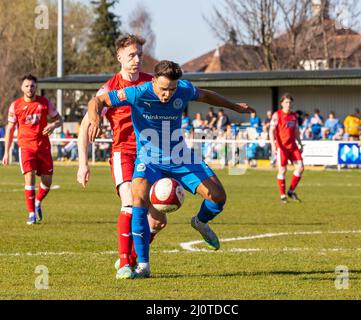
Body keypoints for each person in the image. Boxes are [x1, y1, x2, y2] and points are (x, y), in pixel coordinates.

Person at [88, 60, 255, 279]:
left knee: (218, 197)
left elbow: (205, 95)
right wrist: (94, 118)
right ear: (154, 80)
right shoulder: (137, 92)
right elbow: (98, 100)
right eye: (164, 89)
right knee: (137, 200)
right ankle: (143, 266)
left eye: (172, 90)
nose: (168, 94)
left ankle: (200, 222)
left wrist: (234, 106)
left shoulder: (183, 89)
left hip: (180, 157)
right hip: (149, 161)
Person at [77, 34, 167, 280]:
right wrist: (83, 164)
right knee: (129, 203)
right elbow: (85, 125)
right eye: (131, 55)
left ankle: (132, 256)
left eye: (139, 54)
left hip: (152, 157)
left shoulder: (153, 83)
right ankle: (126, 264)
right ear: (119, 57)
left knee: (158, 220)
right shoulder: (110, 88)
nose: (137, 59)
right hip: (124, 154)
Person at [2, 74, 63, 224]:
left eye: (32, 86)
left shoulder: (44, 103)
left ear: (36, 87)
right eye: (27, 86)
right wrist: (6, 152)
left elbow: (59, 119)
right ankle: (31, 214)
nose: (30, 88)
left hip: (43, 147)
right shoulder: (15, 106)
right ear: (22, 88)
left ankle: (37, 202)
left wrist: (53, 125)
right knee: (29, 179)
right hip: (26, 148)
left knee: (47, 182)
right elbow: (10, 130)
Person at [269, 93, 304, 203]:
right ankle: (283, 195)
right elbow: (271, 130)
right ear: (282, 104)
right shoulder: (277, 115)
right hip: (282, 147)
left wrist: (300, 143)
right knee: (282, 170)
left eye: (290, 102)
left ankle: (291, 191)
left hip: (293, 146)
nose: (288, 104)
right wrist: (273, 144)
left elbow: (296, 131)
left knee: (300, 167)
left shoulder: (294, 116)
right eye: (286, 102)